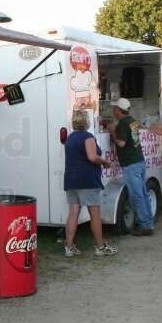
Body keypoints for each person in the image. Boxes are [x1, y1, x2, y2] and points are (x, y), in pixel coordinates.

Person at [63, 110, 115, 257]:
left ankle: (69, 247)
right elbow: (92, 157)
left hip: (71, 180)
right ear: (87, 122)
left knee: (73, 213)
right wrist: (105, 162)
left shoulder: (70, 138)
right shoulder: (88, 137)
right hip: (87, 180)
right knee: (95, 214)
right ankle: (100, 247)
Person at [107, 98, 154, 236]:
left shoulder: (122, 124)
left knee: (136, 195)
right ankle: (148, 222)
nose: (113, 110)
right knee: (143, 193)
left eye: (114, 108)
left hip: (130, 163)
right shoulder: (132, 120)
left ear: (118, 110)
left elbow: (121, 143)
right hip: (139, 160)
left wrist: (112, 132)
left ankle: (145, 226)